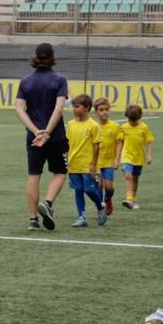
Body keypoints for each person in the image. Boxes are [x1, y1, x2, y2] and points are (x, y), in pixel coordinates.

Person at [14, 42, 70, 232]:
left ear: (35, 57)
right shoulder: (60, 80)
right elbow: (59, 108)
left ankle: (32, 219)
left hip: (33, 137)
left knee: (33, 176)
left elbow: (19, 110)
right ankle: (47, 202)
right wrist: (47, 131)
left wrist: (36, 131)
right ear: (53, 57)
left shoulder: (25, 81)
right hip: (55, 137)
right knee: (60, 172)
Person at [65, 94, 108, 227]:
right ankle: (81, 217)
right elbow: (67, 143)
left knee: (89, 190)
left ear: (87, 108)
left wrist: (94, 165)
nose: (74, 109)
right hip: (74, 164)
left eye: (77, 107)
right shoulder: (71, 124)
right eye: (74, 107)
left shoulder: (93, 125)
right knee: (78, 190)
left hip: (87, 165)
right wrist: (66, 160)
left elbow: (96, 147)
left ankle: (100, 206)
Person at [118, 104, 155, 209]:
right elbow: (120, 141)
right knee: (128, 176)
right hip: (127, 156)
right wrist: (117, 157)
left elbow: (149, 141)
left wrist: (149, 155)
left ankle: (133, 198)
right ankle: (129, 198)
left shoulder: (144, 127)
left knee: (135, 178)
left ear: (140, 117)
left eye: (135, 120)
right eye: (130, 120)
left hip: (138, 157)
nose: (132, 122)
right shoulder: (124, 127)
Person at [93, 97, 121, 220]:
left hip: (109, 162)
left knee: (109, 187)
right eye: (101, 110)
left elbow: (119, 142)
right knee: (98, 186)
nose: (104, 112)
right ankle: (101, 208)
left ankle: (108, 199)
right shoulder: (93, 127)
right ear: (96, 112)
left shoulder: (114, 126)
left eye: (106, 109)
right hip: (97, 163)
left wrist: (117, 158)